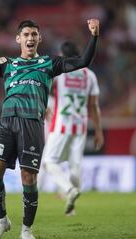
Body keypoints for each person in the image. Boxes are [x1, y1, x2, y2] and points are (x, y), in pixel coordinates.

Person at [0, 18, 99, 239]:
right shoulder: (7, 64)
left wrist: (94, 36)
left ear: (39, 38)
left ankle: (26, 229)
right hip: (6, 122)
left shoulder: (49, 63)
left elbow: (83, 61)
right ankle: (2, 221)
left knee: (29, 178)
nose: (30, 38)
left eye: (34, 34)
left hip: (32, 124)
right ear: (18, 39)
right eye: (26, 34)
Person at [40, 41, 104, 216]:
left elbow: (44, 84)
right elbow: (94, 106)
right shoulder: (90, 75)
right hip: (81, 126)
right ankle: (71, 208)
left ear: (63, 55)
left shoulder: (61, 73)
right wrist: (98, 131)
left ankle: (68, 190)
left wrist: (43, 104)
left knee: (49, 162)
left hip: (61, 123)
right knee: (75, 166)